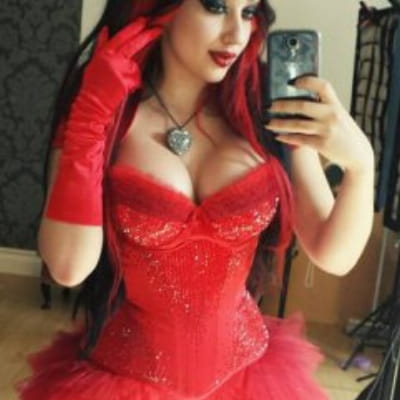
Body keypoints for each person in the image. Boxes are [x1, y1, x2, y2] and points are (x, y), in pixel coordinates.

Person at [16, 0, 375, 399]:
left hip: (249, 378)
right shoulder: (101, 111)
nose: (236, 35)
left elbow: (333, 254)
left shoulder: (267, 110)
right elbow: (68, 268)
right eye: (216, 6)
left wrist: (361, 164)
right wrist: (89, 119)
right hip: (124, 380)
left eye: (248, 12)